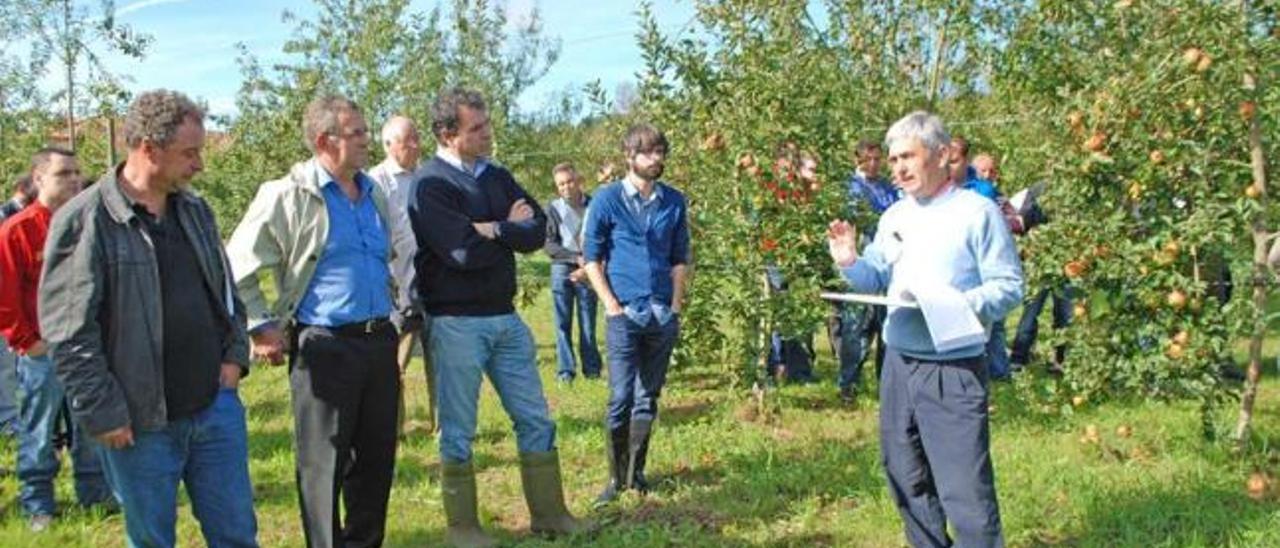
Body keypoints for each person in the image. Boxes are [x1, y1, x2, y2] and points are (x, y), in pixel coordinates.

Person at [41, 89, 257, 546]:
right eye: (190, 153)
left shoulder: (196, 210)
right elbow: (68, 332)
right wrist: (103, 411)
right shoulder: (87, 220)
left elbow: (228, 295)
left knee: (237, 536)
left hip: (214, 407)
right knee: (154, 540)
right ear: (148, 149)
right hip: (139, 424)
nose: (199, 164)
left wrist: (234, 359)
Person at [827, 111, 1022, 547]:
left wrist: (953, 305)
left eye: (907, 157)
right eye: (894, 158)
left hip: (952, 368)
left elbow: (1008, 287)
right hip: (899, 364)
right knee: (905, 475)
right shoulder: (895, 216)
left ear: (940, 154)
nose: (898, 167)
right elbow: (875, 278)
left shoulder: (977, 213)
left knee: (964, 491)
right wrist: (850, 262)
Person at [409, 88, 585, 547]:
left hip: (505, 319)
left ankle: (550, 515)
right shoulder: (430, 184)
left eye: (487, 124)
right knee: (459, 431)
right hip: (455, 323)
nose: (488, 133)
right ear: (448, 135)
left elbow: (538, 231)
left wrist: (494, 229)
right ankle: (463, 528)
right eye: (477, 128)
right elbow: (461, 253)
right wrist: (498, 231)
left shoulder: (497, 175)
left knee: (536, 419)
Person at [228, 94, 399, 547]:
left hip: (379, 340)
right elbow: (236, 265)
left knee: (376, 460)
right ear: (326, 140)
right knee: (323, 463)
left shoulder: (372, 192)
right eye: (358, 133)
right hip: (324, 345)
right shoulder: (287, 194)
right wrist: (261, 325)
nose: (367, 140)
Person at [0, 147, 109, 531]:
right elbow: (6, 296)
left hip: (85, 347)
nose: (75, 179)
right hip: (42, 350)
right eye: (64, 173)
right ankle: (38, 504)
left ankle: (95, 493)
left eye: (78, 172)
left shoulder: (90, 223)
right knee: (39, 428)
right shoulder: (18, 230)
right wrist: (27, 342)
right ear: (39, 179)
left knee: (89, 424)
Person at [583, 124, 690, 503]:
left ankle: (636, 474)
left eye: (660, 152)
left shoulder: (674, 202)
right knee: (619, 398)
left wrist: (675, 305)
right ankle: (614, 480)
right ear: (629, 156)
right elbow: (591, 258)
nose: (656, 159)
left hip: (661, 313)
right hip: (625, 313)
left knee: (648, 397)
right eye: (648, 153)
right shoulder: (606, 199)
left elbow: (680, 259)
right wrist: (611, 306)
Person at [368, 114, 437, 435]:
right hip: (397, 285)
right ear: (388, 144)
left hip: (432, 281)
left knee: (440, 359)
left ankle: (443, 426)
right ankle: (393, 429)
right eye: (408, 140)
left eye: (417, 138)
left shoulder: (425, 176)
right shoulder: (376, 180)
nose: (416, 145)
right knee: (394, 363)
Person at [832, 139, 900, 403]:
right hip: (861, 259)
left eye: (876, 159)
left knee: (887, 324)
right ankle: (848, 385)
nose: (872, 164)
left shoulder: (887, 187)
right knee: (856, 326)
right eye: (867, 159)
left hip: (889, 261)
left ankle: (888, 385)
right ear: (857, 159)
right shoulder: (850, 187)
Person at [950, 144, 1014, 380]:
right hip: (960, 265)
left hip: (984, 264)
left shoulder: (983, 193)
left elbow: (1009, 219)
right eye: (984, 170)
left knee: (991, 320)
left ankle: (997, 371)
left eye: (955, 160)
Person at [544, 162, 603, 383]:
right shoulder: (552, 208)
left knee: (588, 320)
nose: (566, 187)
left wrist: (588, 262)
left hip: (589, 268)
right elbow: (549, 245)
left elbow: (602, 236)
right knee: (562, 321)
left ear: (578, 181)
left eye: (569, 182)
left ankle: (592, 370)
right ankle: (565, 371)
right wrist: (573, 258)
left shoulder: (594, 205)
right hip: (562, 266)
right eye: (561, 184)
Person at [0, 175, 37, 438]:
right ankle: (7, 418)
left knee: (9, 366)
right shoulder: (6, 216)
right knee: (5, 366)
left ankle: (10, 418)